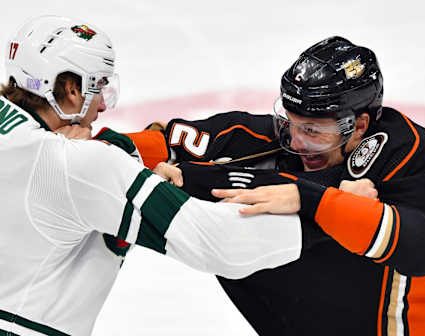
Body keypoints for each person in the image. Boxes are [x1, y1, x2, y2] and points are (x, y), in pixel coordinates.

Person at [0, 15, 314, 336]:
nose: (103, 106)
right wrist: (329, 209)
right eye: (99, 87)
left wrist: (133, 153)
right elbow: (218, 243)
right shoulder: (80, 164)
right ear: (70, 90)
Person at [151, 37, 425, 335]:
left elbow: (420, 252)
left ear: (359, 126)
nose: (296, 142)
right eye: (289, 123)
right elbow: (186, 140)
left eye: (311, 130)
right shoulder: (287, 142)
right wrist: (145, 152)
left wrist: (309, 198)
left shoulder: (407, 151)